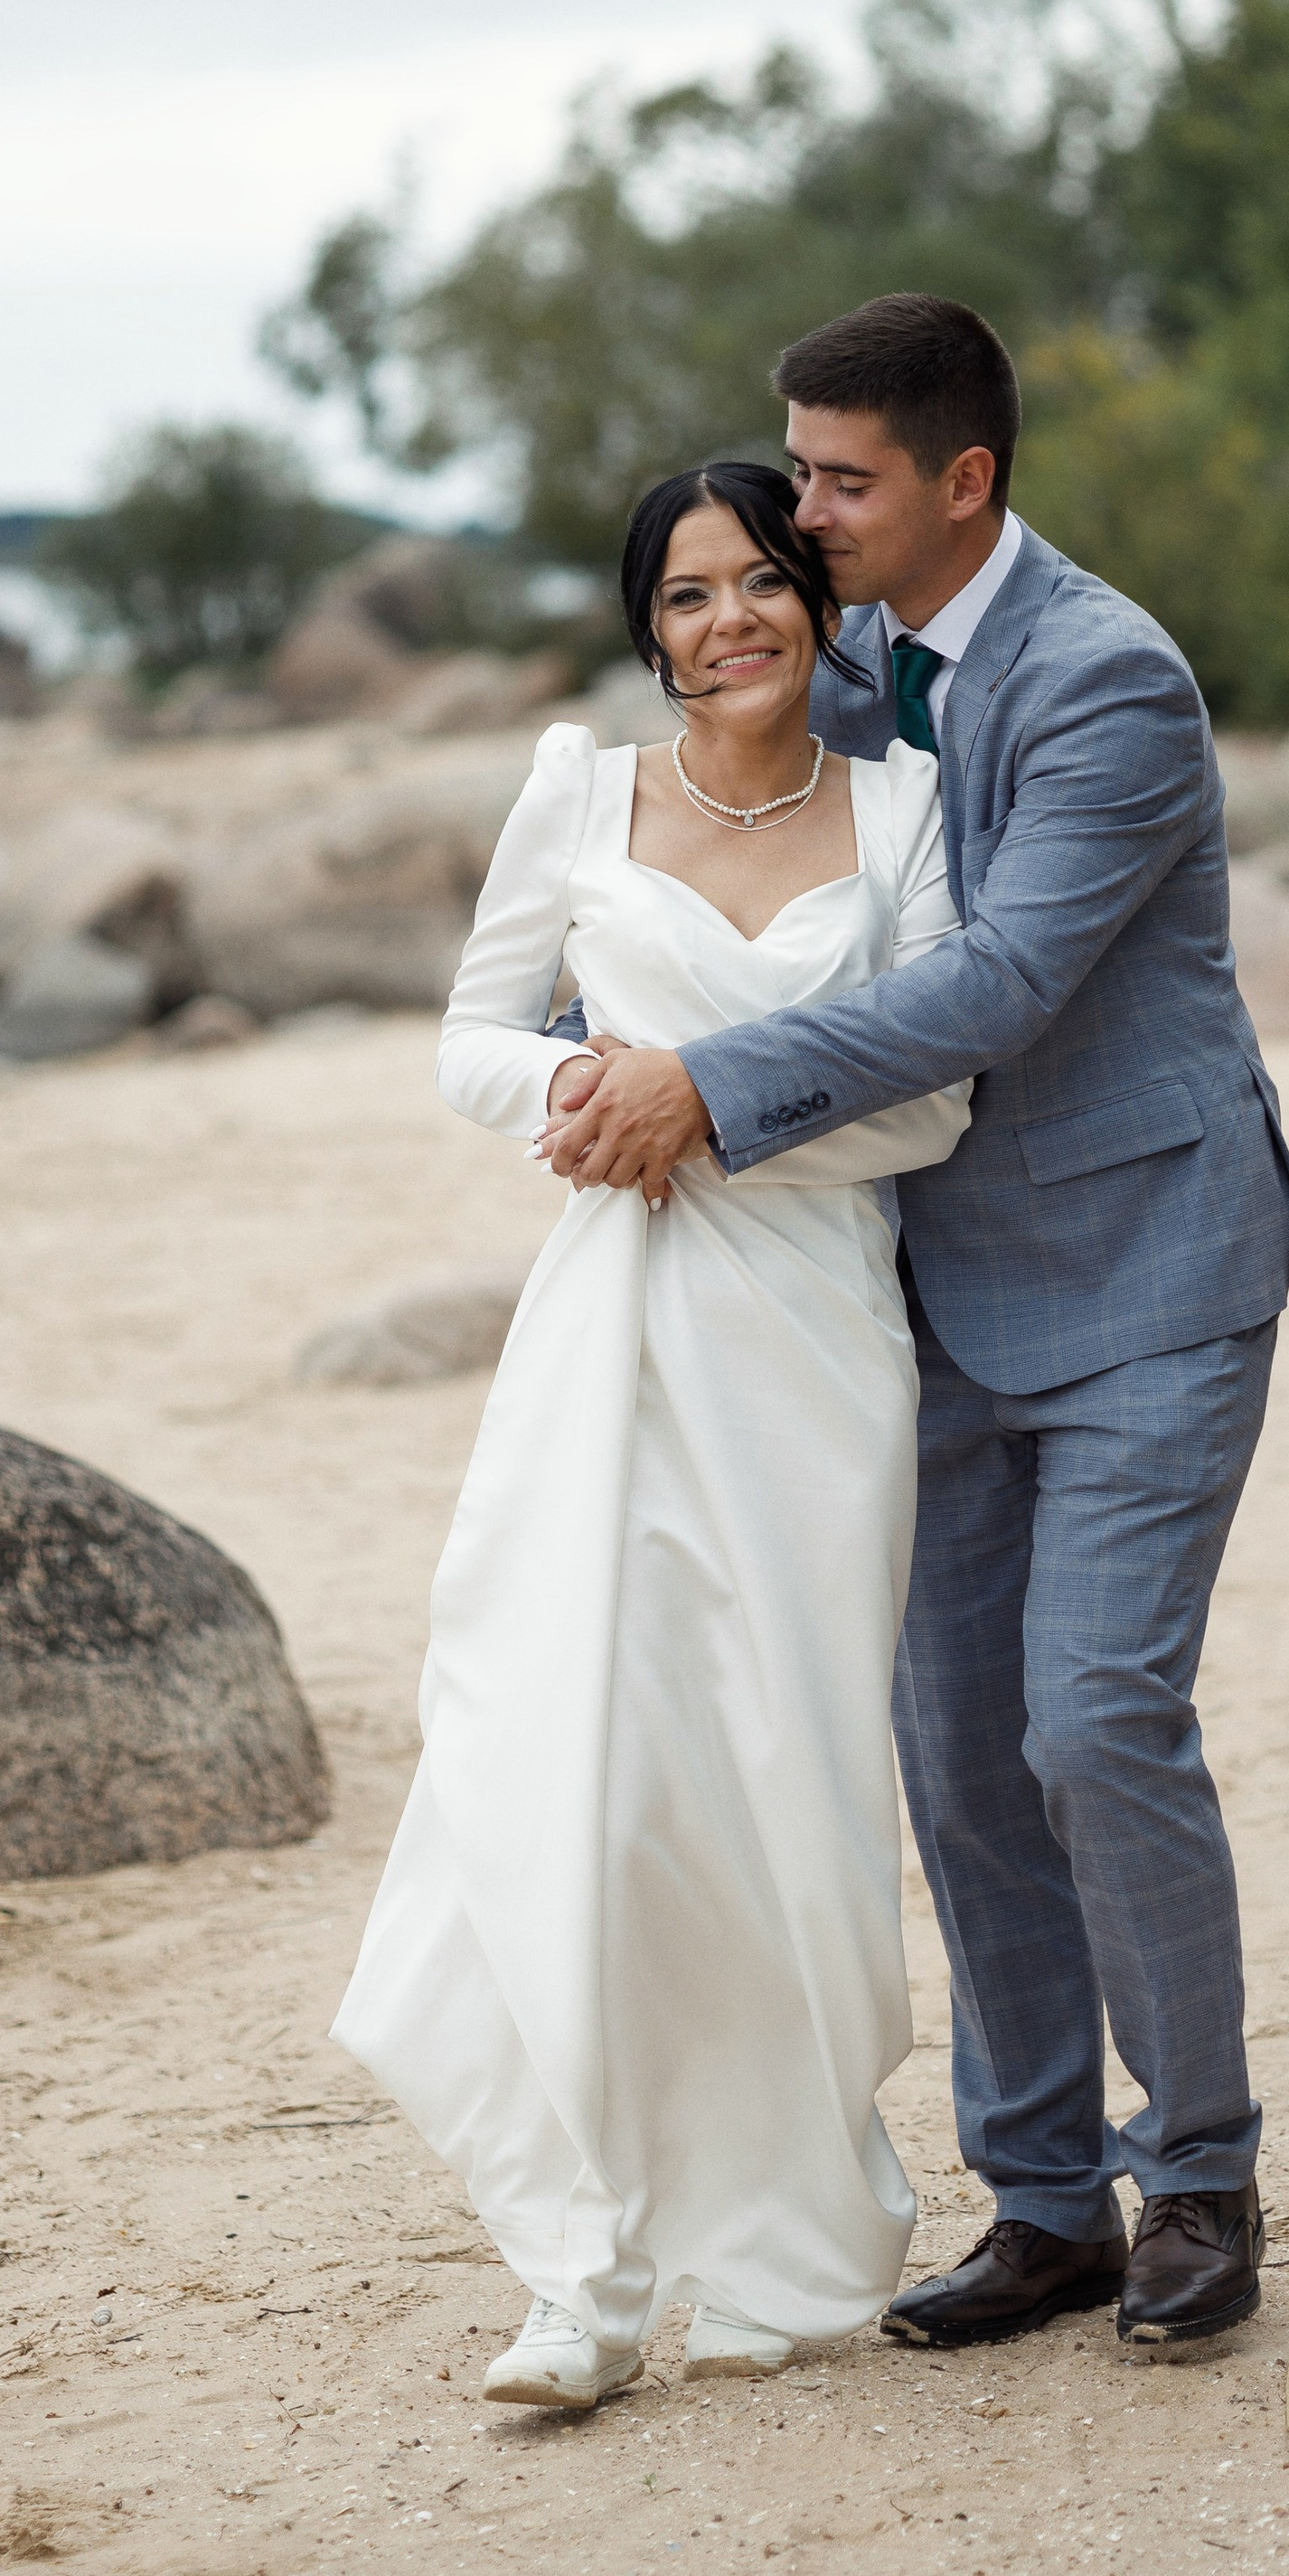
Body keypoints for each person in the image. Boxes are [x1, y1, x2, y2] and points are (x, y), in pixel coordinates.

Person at [537, 293, 1289, 2360]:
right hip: (915, 1298)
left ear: (962, 481)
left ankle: (1200, 2179)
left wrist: (710, 1091)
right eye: (795, 470)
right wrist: (604, 1014)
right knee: (959, 1759)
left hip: (1149, 1268)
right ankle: (1045, 2205)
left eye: (838, 480)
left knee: (1092, 1720)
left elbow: (996, 984)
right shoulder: (849, 655)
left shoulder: (1105, 679)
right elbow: (730, 842)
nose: (798, 516)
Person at [332, 460, 972, 2411]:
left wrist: (708, 1100)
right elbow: (469, 1036)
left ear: (820, 603)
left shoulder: (907, 809)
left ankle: (778, 2245)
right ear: (648, 630)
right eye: (686, 596)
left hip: (814, 1344)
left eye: (761, 579)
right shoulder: (577, 795)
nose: (729, 621)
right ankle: (581, 2272)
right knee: (577, 1775)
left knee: (781, 1792)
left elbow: (934, 1101)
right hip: (611, 1316)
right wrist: (583, 1100)